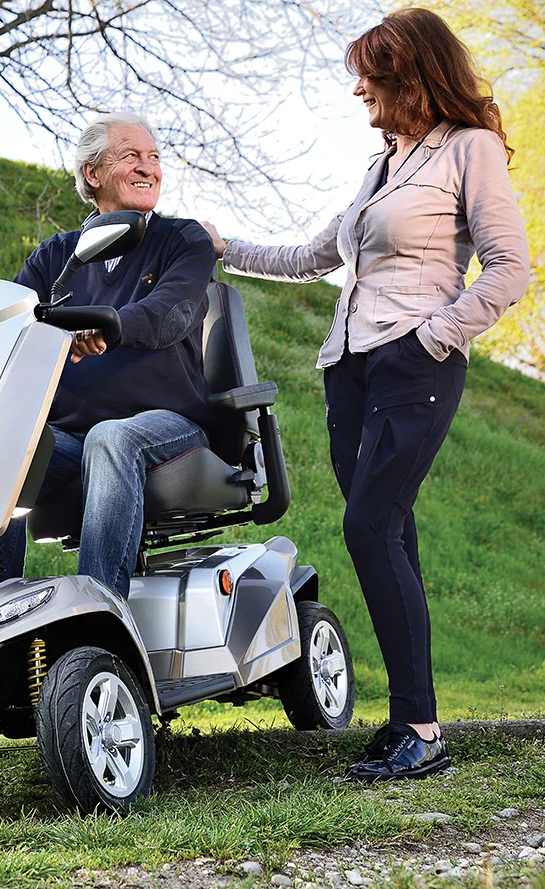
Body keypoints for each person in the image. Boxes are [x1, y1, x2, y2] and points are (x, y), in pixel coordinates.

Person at [202, 8, 530, 781]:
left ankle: (420, 728)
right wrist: (223, 247)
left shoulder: (469, 150)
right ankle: (413, 721)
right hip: (350, 366)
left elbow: (510, 267)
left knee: (368, 524)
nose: (358, 92)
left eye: (370, 77)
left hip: (415, 361)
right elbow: (316, 253)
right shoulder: (383, 163)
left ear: (411, 75)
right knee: (391, 536)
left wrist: (435, 336)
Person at [1, 111, 216, 599]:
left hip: (169, 424)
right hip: (71, 435)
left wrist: (110, 325)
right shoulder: (57, 256)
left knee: (111, 438)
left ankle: (99, 612)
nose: (148, 168)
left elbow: (172, 310)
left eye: (154, 158)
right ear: (93, 174)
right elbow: (12, 317)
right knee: (7, 443)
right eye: (131, 156)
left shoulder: (181, 240)